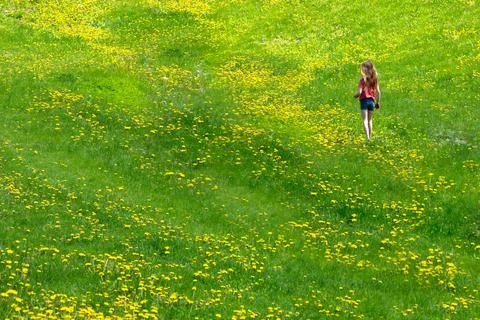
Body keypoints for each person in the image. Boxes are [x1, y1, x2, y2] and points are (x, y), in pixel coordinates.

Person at [354, 60, 381, 142]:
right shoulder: (374, 80)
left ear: (365, 70)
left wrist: (356, 95)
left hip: (364, 101)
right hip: (372, 102)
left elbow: (359, 92)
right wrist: (378, 102)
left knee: (365, 120)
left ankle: (367, 138)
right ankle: (370, 137)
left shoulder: (362, 81)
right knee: (370, 120)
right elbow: (378, 92)